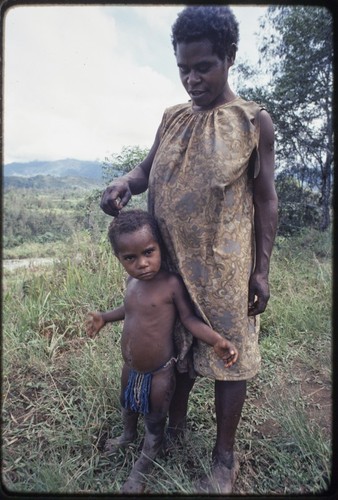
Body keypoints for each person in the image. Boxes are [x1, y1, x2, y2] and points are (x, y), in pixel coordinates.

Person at [100, 5, 278, 493]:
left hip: (225, 270)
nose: (192, 79)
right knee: (173, 351)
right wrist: (123, 183)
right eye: (183, 68)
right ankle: (171, 431)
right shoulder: (172, 118)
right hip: (168, 265)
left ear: (229, 57)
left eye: (204, 67)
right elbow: (144, 171)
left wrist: (261, 271)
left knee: (228, 359)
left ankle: (224, 459)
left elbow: (266, 203)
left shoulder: (252, 122)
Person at [86, 209, 238, 494]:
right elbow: (130, 310)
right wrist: (105, 317)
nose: (142, 264)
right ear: (119, 259)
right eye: (130, 258)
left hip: (159, 372)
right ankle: (127, 435)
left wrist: (216, 340)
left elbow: (190, 319)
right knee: (127, 405)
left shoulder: (170, 284)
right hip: (130, 367)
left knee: (156, 420)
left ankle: (141, 469)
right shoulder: (132, 283)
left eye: (148, 252)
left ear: (160, 247)